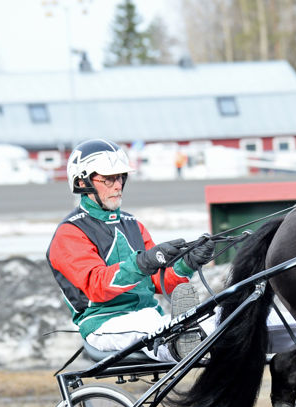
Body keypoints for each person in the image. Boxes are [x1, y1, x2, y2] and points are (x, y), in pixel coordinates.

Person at [47, 138, 214, 361]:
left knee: (216, 319)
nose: (118, 185)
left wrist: (186, 265)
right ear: (81, 182)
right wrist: (144, 262)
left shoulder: (133, 224)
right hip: (103, 322)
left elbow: (158, 282)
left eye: (120, 177)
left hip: (149, 316)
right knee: (152, 326)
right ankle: (183, 346)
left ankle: (196, 339)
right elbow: (97, 287)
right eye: (108, 179)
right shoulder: (70, 233)